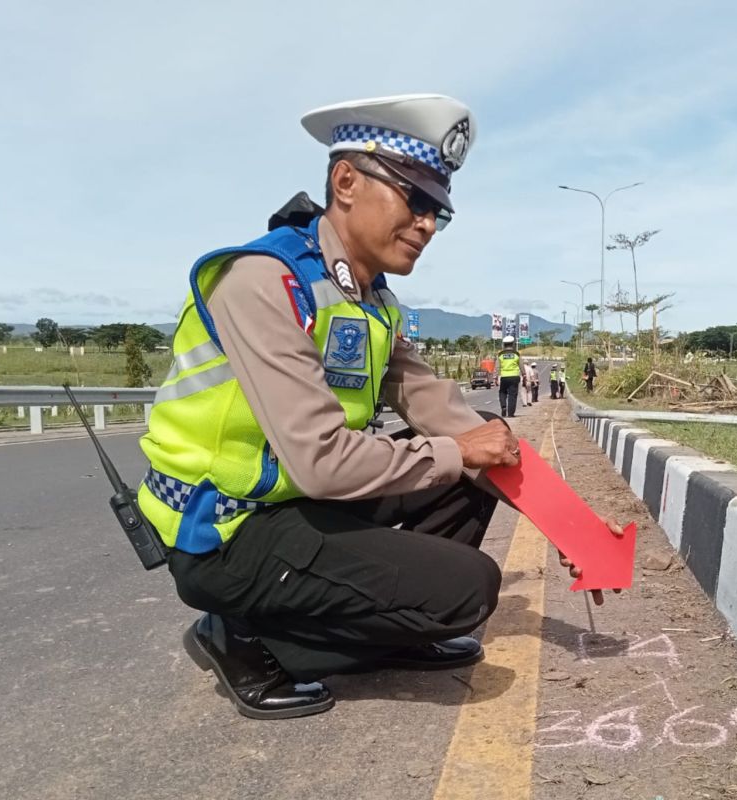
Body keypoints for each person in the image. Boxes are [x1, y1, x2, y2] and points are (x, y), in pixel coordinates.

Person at [137, 94, 531, 721]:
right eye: (415, 199)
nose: (427, 224)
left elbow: (436, 405)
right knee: (469, 587)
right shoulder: (265, 281)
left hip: (293, 502)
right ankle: (240, 635)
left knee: (472, 474)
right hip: (225, 530)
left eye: (439, 212)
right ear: (345, 181)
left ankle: (391, 629)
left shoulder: (372, 299)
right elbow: (321, 461)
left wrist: (545, 503)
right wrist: (460, 450)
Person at [496, 335, 522, 417]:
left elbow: (497, 367)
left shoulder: (500, 355)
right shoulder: (516, 354)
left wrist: (496, 377)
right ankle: (511, 413)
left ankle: (503, 406)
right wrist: (524, 375)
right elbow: (521, 365)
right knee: (512, 395)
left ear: (504, 344)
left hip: (504, 377)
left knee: (502, 392)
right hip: (514, 376)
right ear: (513, 344)